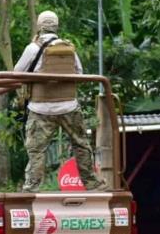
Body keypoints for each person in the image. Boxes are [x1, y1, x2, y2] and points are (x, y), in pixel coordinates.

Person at [14, 10, 106, 192]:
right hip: (69, 106)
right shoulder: (68, 48)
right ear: (56, 26)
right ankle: (92, 184)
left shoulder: (32, 48)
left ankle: (32, 187)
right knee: (81, 144)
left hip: (41, 109)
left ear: (39, 27)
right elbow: (79, 73)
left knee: (36, 150)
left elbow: (17, 72)